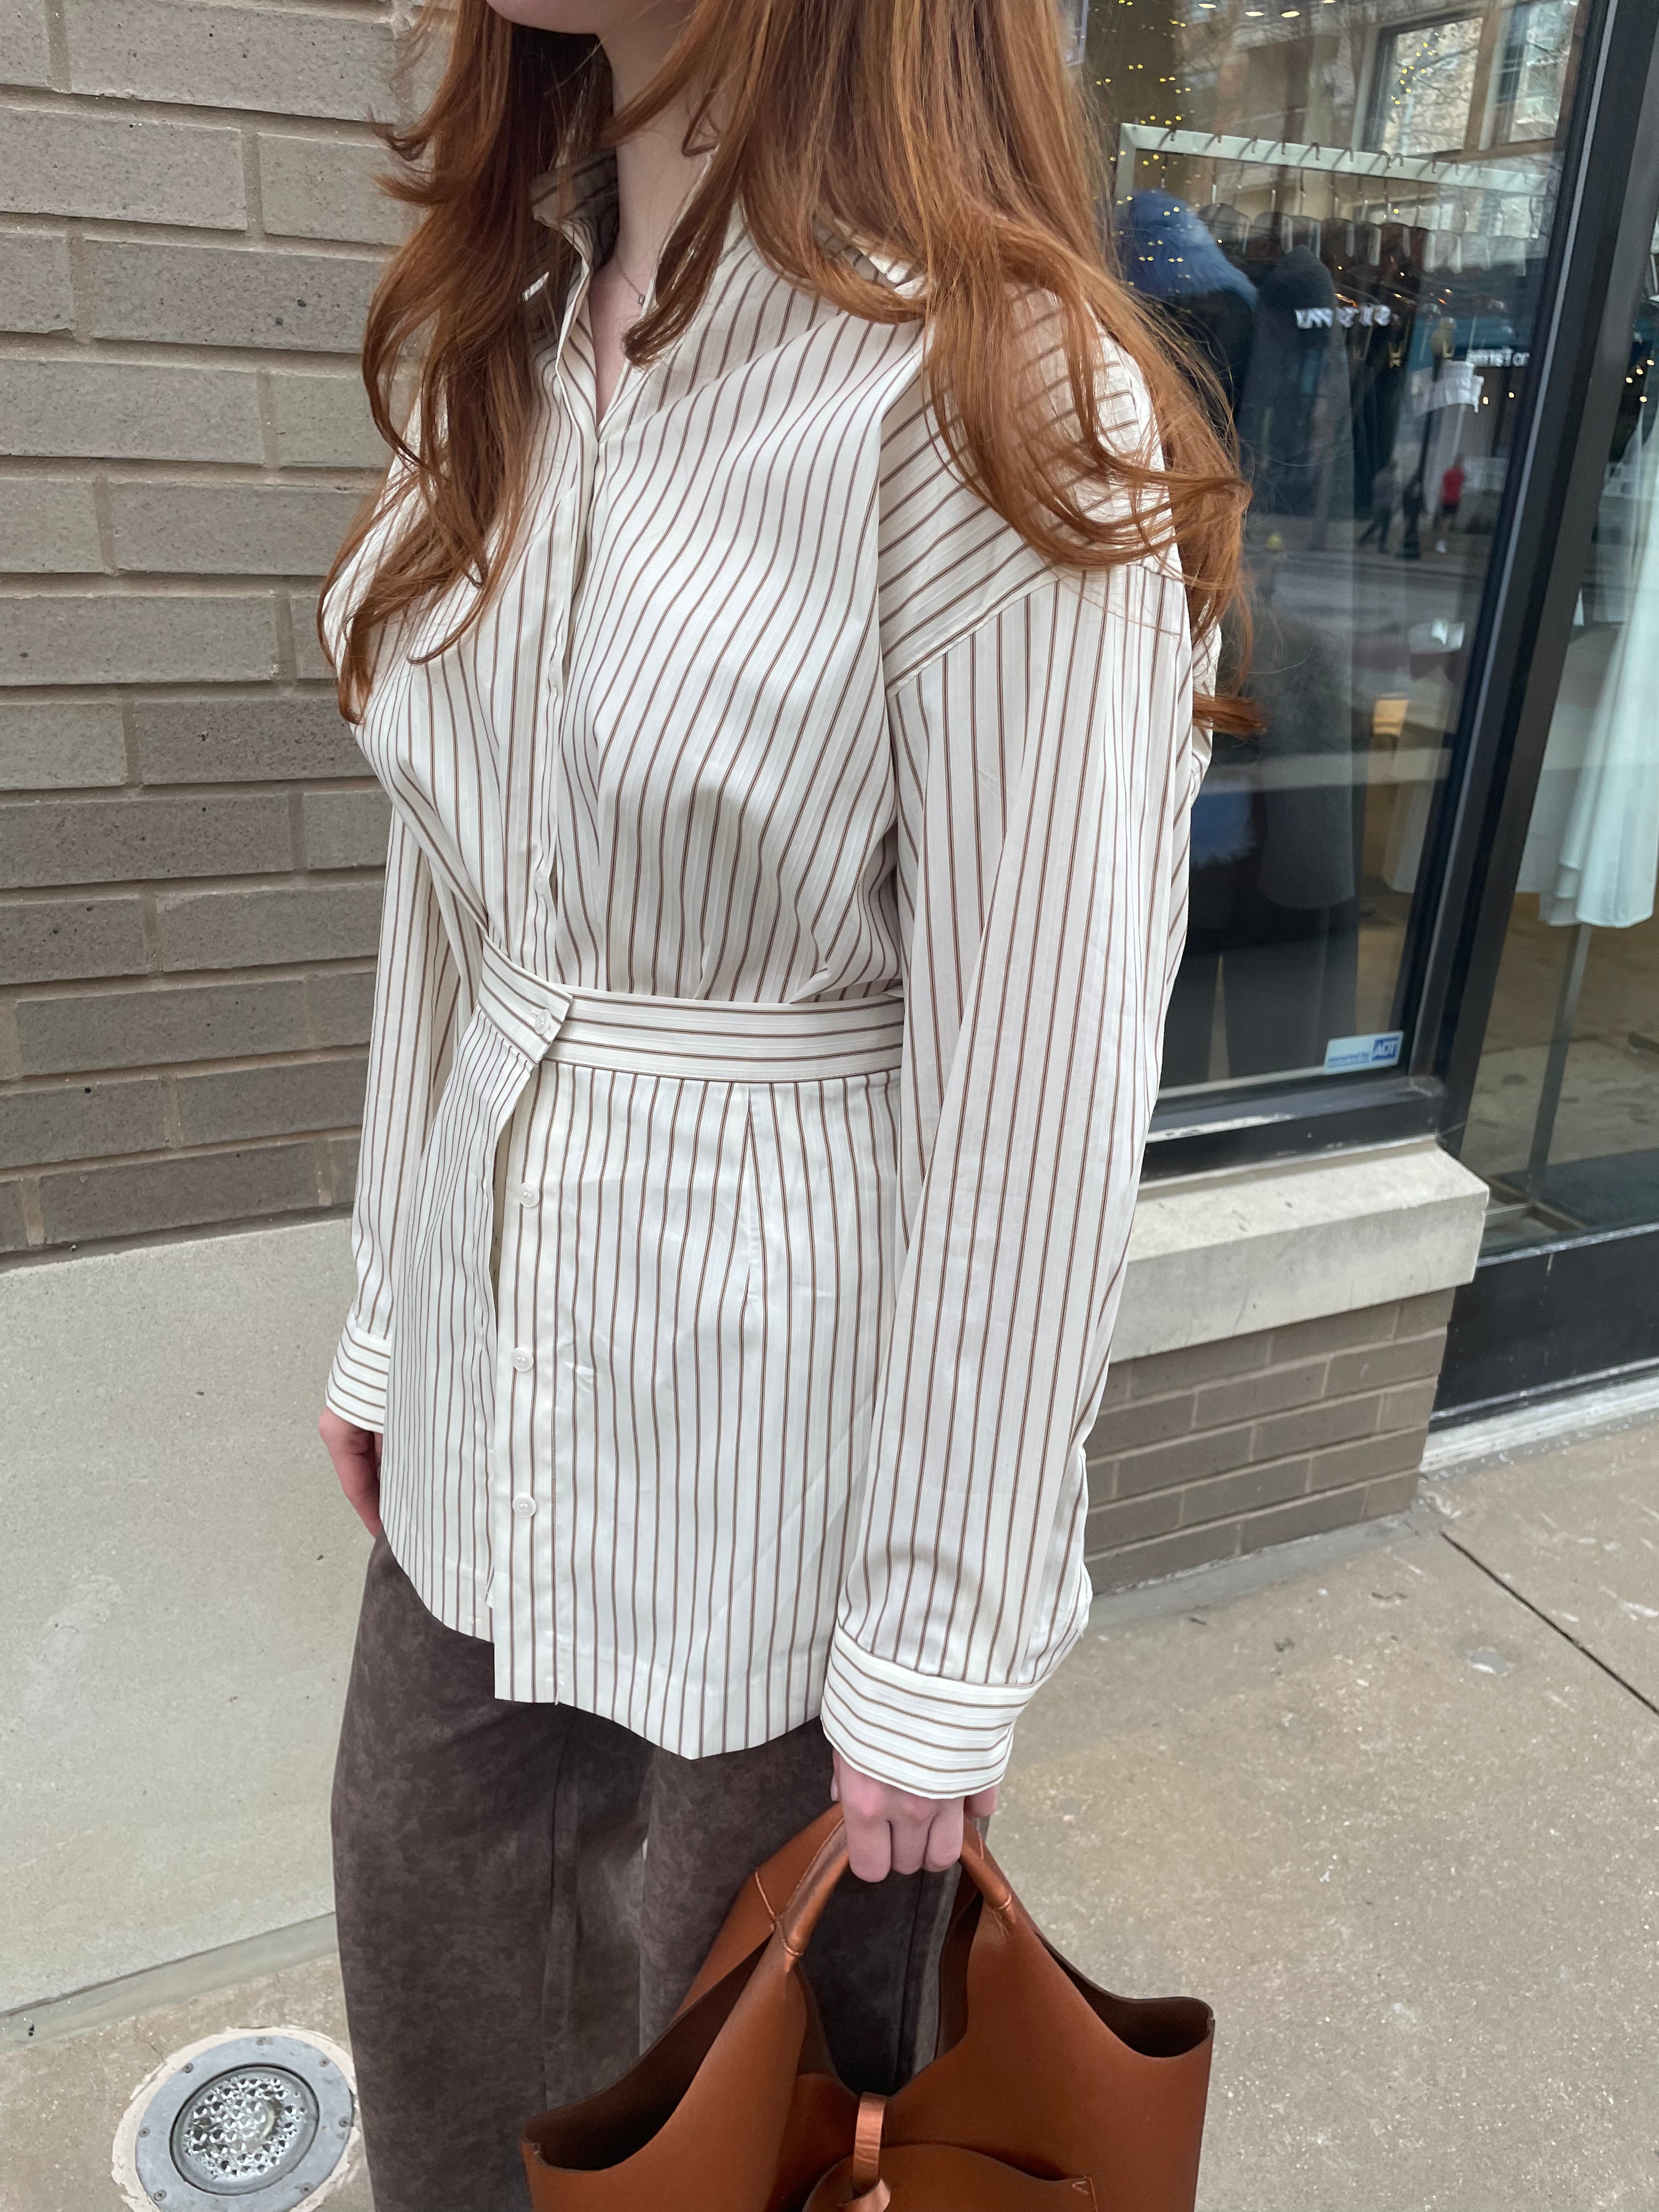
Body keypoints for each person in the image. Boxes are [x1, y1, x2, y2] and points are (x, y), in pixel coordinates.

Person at [314, 2, 1248, 2205]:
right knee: (434, 1960)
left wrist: (938, 1648)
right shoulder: (509, 331)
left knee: (728, 2116)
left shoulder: (994, 395)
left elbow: (1039, 1082)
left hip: (788, 1451)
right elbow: (450, 899)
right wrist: (383, 1316)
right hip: (485, 1364)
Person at [1359, 455, 1401, 550]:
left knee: (1383, 526)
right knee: (1378, 525)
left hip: (1386, 505)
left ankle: (1378, 545)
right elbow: (1376, 488)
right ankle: (1365, 540)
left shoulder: (1390, 476)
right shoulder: (1383, 476)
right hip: (1381, 505)